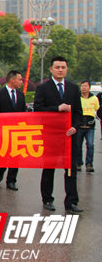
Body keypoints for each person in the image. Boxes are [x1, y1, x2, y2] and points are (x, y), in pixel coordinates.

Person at [34, 56, 83, 214]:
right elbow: (38, 110)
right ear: (51, 69)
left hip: (70, 137)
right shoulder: (43, 88)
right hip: (50, 137)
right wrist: (57, 108)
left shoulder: (73, 88)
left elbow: (78, 113)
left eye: (63, 67)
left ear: (66, 69)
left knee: (71, 170)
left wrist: (75, 127)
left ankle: (71, 202)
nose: (60, 70)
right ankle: (47, 198)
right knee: (49, 168)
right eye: (57, 67)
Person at [0, 70, 27, 190]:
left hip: (16, 131)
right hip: (2, 132)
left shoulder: (21, 95)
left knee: (15, 157)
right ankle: (1, 170)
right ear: (12, 80)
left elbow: (24, 113)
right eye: (20, 79)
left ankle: (11, 181)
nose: (21, 82)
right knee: (3, 155)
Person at [76, 81, 99, 172]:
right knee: (78, 145)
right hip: (79, 123)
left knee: (90, 144)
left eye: (86, 86)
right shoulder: (77, 98)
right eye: (82, 86)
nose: (84, 88)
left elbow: (96, 108)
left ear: (89, 87)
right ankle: (78, 163)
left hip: (90, 124)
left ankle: (89, 164)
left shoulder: (94, 98)